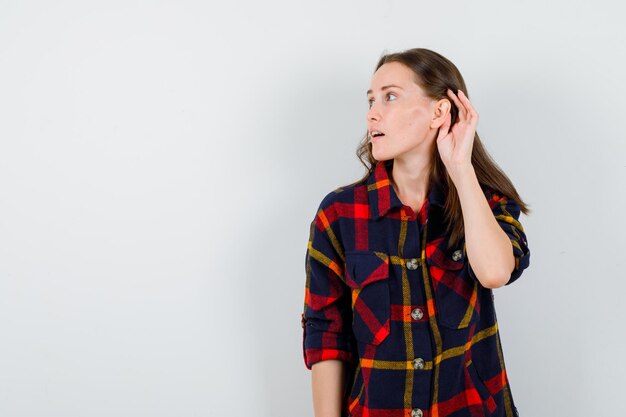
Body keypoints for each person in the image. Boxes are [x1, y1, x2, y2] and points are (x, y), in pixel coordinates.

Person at [300, 48, 531, 417]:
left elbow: (495, 272)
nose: (373, 112)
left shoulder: (486, 202)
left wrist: (460, 169)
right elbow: (326, 334)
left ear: (439, 112)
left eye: (390, 96)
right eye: (371, 100)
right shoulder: (340, 214)